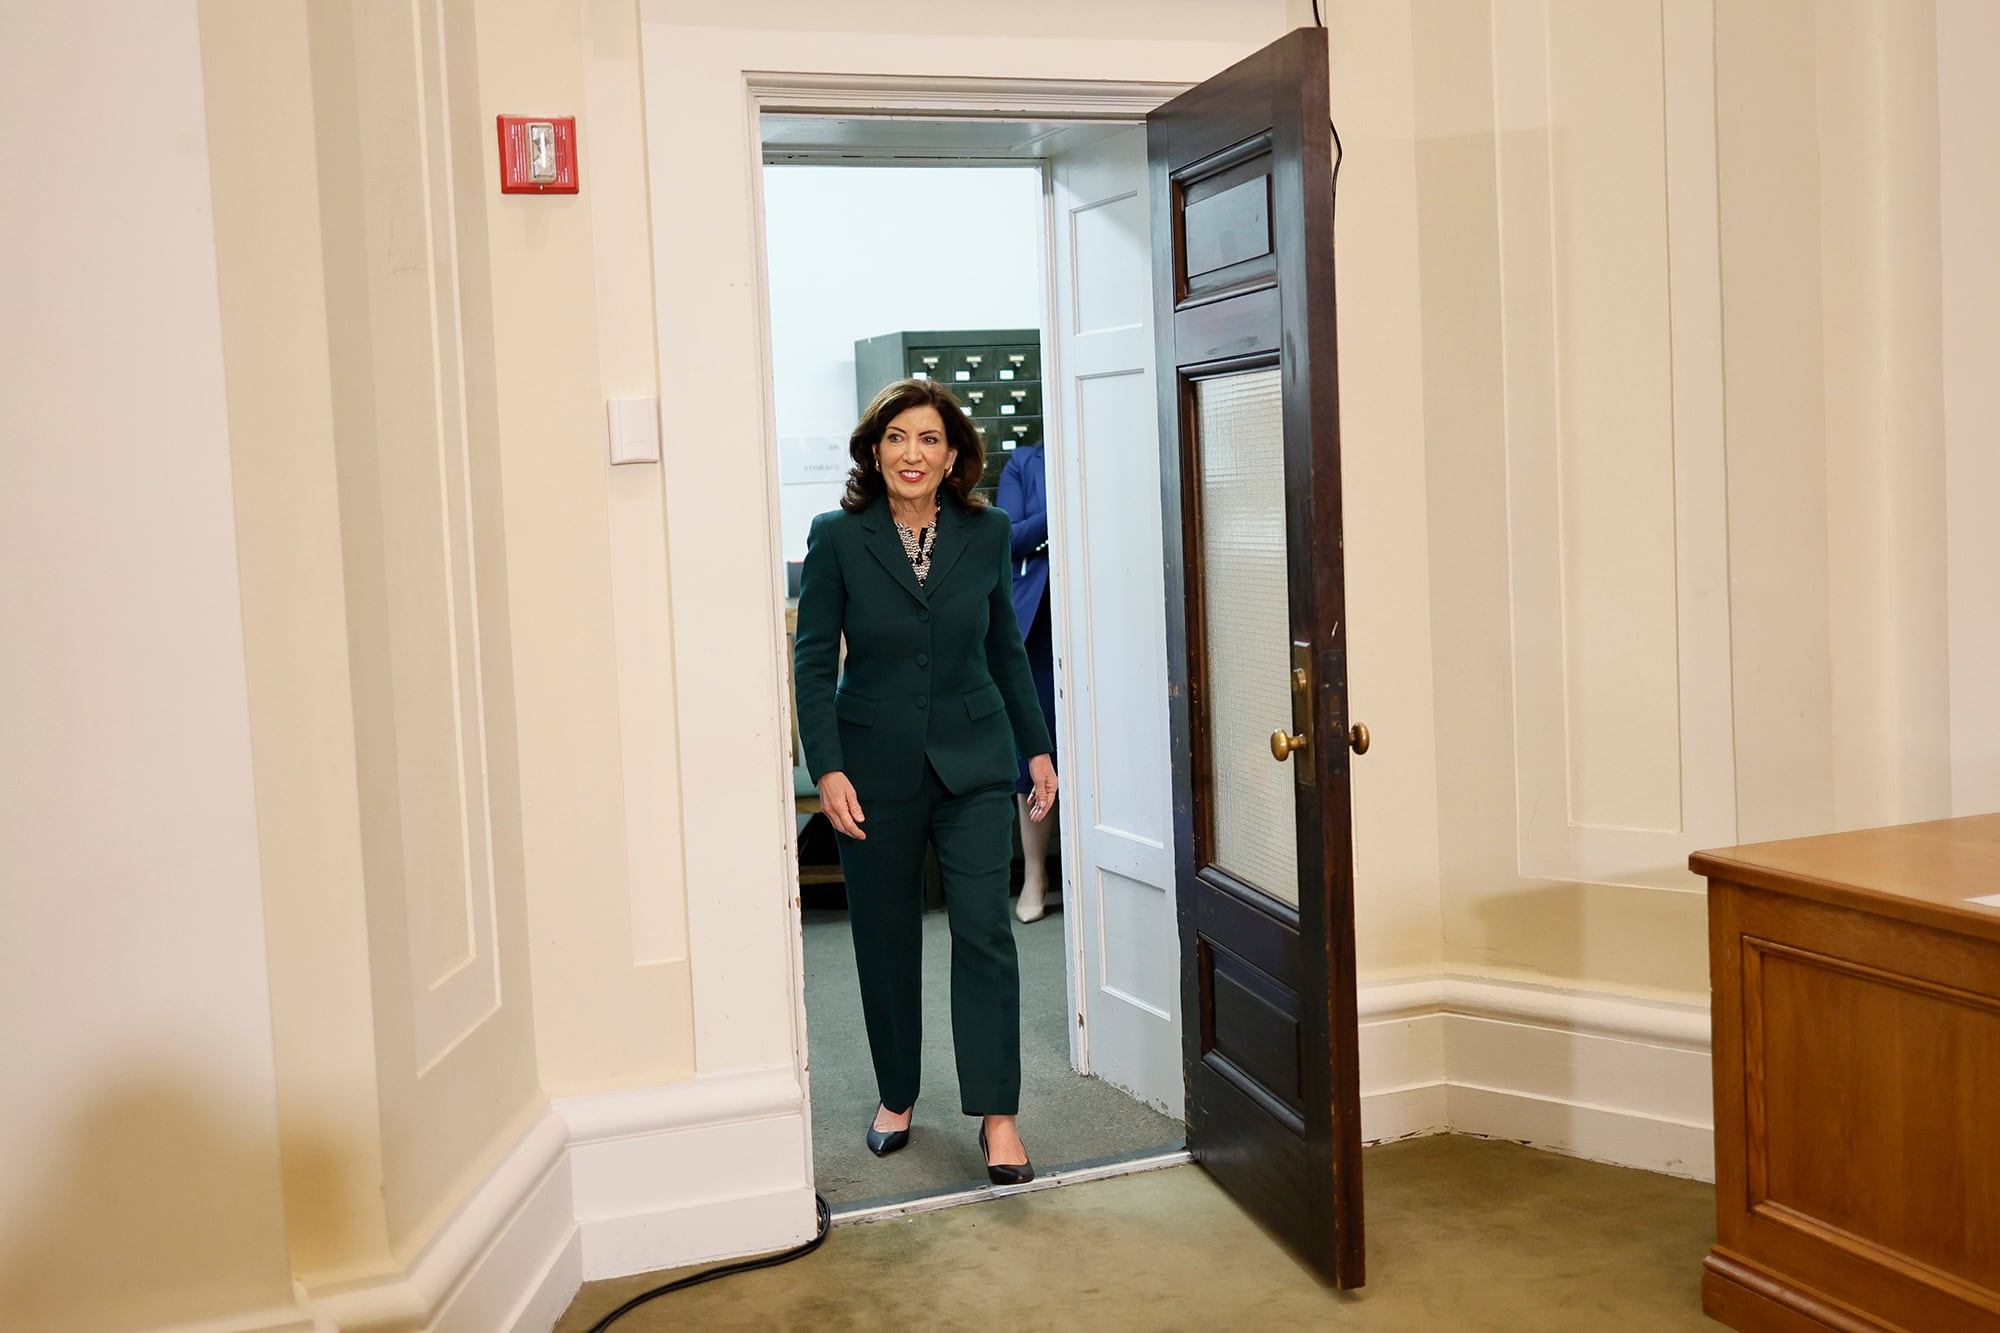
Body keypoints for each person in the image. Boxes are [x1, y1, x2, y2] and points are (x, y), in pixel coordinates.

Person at [792, 378, 1058, 1186]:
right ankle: (897, 1093)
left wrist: (1036, 750)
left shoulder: (989, 532)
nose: (914, 453)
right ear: (875, 450)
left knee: (983, 929)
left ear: (953, 457)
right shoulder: (836, 537)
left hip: (974, 761)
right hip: (871, 770)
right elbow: (812, 660)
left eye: (930, 439)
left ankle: (997, 1114)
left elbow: (1006, 651)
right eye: (898, 437)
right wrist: (827, 765)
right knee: (885, 934)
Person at [995, 440, 1057, 923]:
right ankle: (1035, 873)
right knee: (1033, 750)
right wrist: (1063, 508)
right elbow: (1010, 537)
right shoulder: (1024, 461)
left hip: (1103, 616)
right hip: (1036, 626)